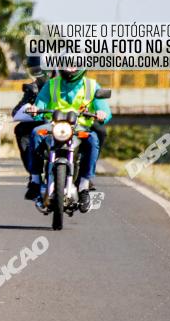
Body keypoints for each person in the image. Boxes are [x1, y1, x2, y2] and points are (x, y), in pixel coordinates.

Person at [28, 66, 111, 212]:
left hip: (79, 128)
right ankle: (35, 180)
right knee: (35, 133)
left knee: (93, 139)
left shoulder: (92, 86)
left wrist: (101, 113)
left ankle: (85, 185)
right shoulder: (52, 84)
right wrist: (35, 109)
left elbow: (104, 109)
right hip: (53, 126)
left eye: (74, 65)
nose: (70, 69)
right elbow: (40, 104)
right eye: (67, 64)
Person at [12, 56, 51, 199]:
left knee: (94, 132)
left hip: (66, 123)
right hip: (41, 123)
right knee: (20, 130)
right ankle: (33, 174)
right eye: (34, 71)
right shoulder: (32, 88)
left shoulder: (64, 84)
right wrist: (28, 109)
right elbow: (15, 111)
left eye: (40, 70)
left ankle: (85, 179)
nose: (38, 74)